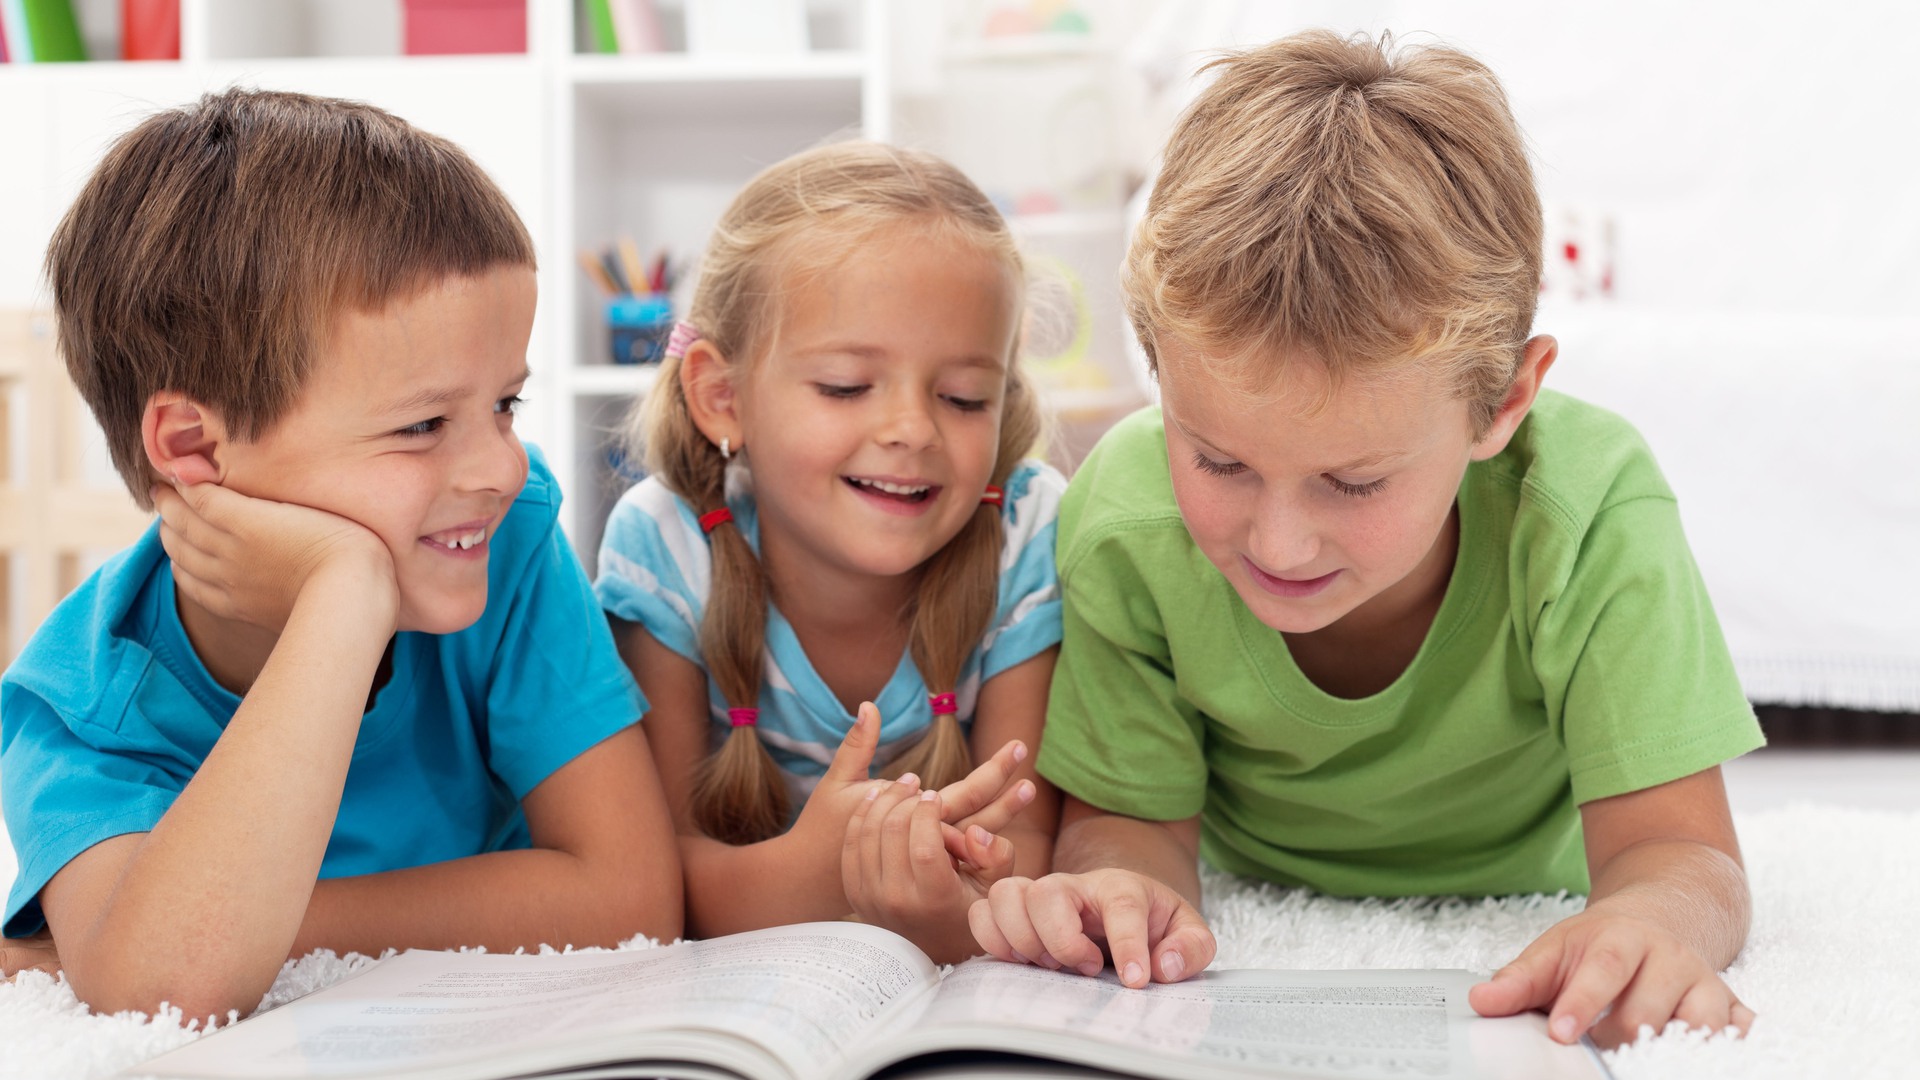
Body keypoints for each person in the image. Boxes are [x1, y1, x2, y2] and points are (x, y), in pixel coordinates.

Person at [968, 31, 1765, 1049]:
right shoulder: (1126, 518)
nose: (1281, 540)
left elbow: (1682, 854)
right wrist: (1120, 891)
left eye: (1352, 481)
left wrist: (1647, 922)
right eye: (1218, 462)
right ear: (1157, 370)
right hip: (1250, 874)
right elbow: (1128, 826)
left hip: (1540, 879)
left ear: (1505, 402)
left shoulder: (1590, 510)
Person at [0, 90, 680, 1019]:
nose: (499, 465)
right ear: (196, 450)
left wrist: (265, 923)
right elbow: (161, 987)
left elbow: (631, 899)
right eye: (423, 424)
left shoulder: (509, 537)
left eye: (505, 405)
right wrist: (343, 594)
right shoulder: (83, 700)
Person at [595, 142, 1065, 963]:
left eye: (964, 397)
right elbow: (658, 884)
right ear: (721, 396)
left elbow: (1025, 854)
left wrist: (948, 903)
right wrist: (827, 871)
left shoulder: (1025, 533)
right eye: (847, 385)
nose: (913, 430)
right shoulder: (665, 546)